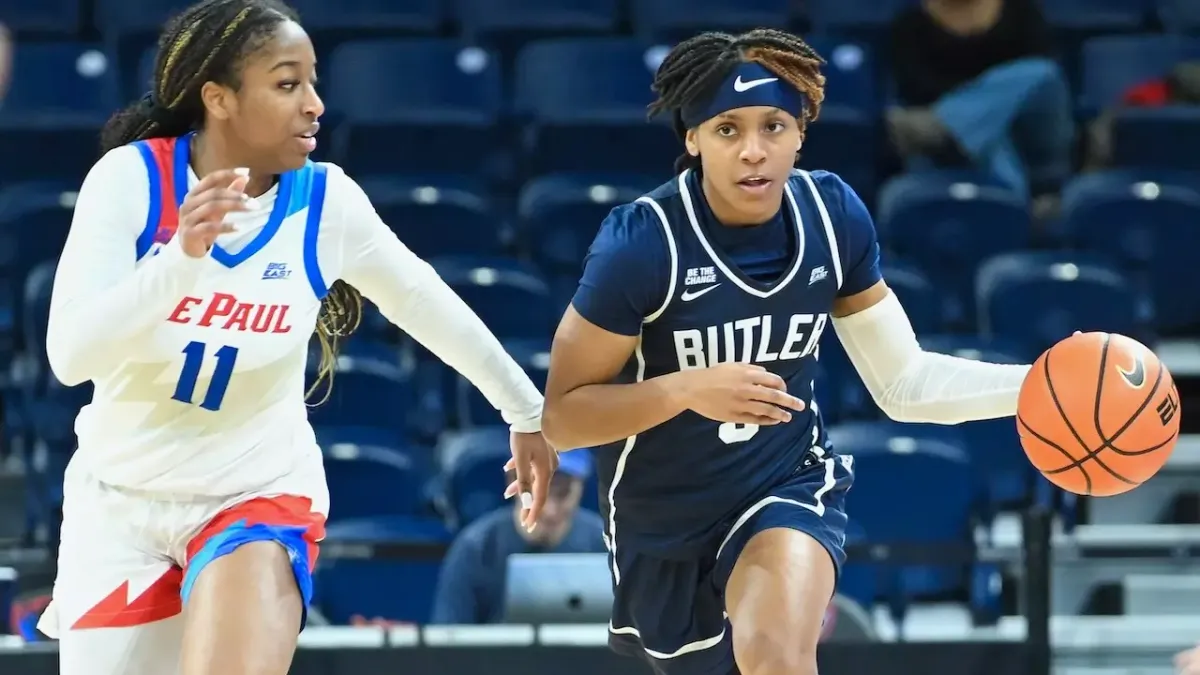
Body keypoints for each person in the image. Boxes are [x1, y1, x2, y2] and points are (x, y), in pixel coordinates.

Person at [38, 1, 558, 673]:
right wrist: (177, 265)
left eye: (314, 82)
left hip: (252, 491)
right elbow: (70, 356)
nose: (314, 104)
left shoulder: (327, 202)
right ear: (218, 98)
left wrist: (526, 410)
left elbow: (426, 303)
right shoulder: (129, 182)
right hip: (119, 504)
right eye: (288, 84)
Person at [541, 29, 1033, 675]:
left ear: (801, 131)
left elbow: (905, 384)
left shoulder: (833, 215)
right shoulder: (642, 243)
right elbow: (564, 417)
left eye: (774, 125)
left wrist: (1046, 382)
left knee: (776, 655)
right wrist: (684, 389)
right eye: (727, 129)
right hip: (659, 519)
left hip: (783, 480)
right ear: (691, 138)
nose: (753, 151)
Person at [887, 0, 1074, 201]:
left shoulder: (1022, 11)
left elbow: (1040, 79)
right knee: (991, 144)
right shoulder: (910, 24)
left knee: (1042, 72)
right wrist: (984, 114)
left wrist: (985, 104)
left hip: (1031, 132)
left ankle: (952, 128)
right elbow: (915, 89)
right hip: (953, 146)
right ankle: (1015, 211)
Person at [430, 450, 605, 625]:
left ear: (581, 488)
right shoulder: (476, 548)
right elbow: (448, 638)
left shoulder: (605, 544)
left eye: (563, 493)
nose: (549, 510)